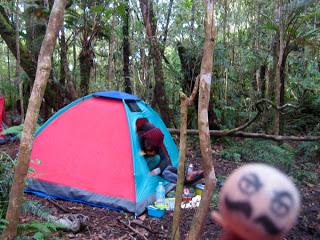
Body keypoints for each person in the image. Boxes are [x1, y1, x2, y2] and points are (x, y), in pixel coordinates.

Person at [136, 118, 203, 184]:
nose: (149, 146)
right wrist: (147, 153)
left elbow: (165, 158)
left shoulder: (156, 143)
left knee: (167, 167)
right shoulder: (138, 141)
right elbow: (136, 156)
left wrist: (158, 169)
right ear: (146, 138)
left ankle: (187, 174)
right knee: (161, 165)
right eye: (148, 144)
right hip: (141, 167)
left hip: (154, 168)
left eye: (151, 145)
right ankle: (184, 180)